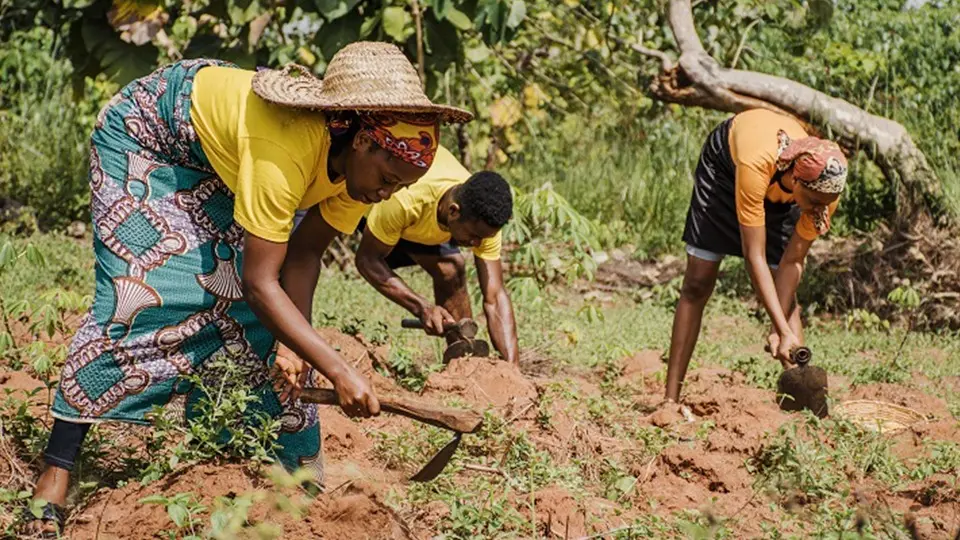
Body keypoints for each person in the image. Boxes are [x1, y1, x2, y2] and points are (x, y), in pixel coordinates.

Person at [25, 42, 471, 535]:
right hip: (148, 137)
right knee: (140, 297)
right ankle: (56, 473)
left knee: (264, 326)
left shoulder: (359, 178)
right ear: (363, 142)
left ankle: (296, 481)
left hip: (223, 160)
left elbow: (303, 255)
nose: (386, 195)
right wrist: (339, 369)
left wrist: (291, 343)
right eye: (387, 178)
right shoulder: (286, 149)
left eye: (399, 188)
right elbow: (261, 283)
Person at [664, 108, 848, 404]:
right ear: (796, 180)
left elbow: (793, 262)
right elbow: (754, 257)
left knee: (787, 302)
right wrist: (780, 327)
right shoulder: (756, 164)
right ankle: (670, 401)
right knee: (698, 281)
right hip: (727, 169)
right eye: (813, 203)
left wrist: (781, 329)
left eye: (824, 205)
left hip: (780, 187)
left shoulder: (825, 192)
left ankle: (801, 408)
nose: (818, 211)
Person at [354, 147, 519, 364]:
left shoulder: (483, 216)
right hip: (374, 211)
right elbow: (367, 260)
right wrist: (421, 307)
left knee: (451, 270)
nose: (477, 244)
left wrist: (513, 367)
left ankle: (462, 362)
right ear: (453, 211)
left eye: (483, 238)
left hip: (422, 222)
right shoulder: (406, 200)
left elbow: (495, 297)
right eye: (473, 236)